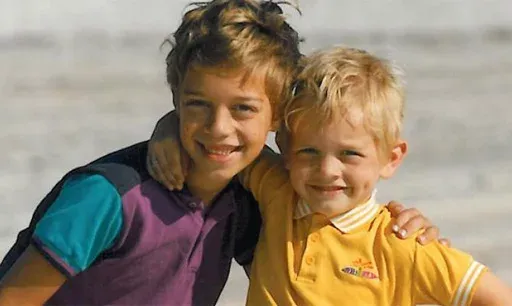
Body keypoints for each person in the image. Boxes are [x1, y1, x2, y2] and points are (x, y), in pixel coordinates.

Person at [0, 1, 444, 305]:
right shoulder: (107, 197)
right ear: (175, 99)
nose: (219, 128)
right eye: (198, 106)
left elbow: (322, 260)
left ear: (277, 119)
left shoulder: (247, 202)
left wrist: (394, 229)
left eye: (243, 108)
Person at [148, 46, 512, 305]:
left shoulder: (403, 243)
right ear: (286, 148)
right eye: (309, 152)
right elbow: (227, 142)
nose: (326, 171)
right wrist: (167, 127)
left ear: (391, 157)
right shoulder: (277, 189)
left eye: (349, 154)